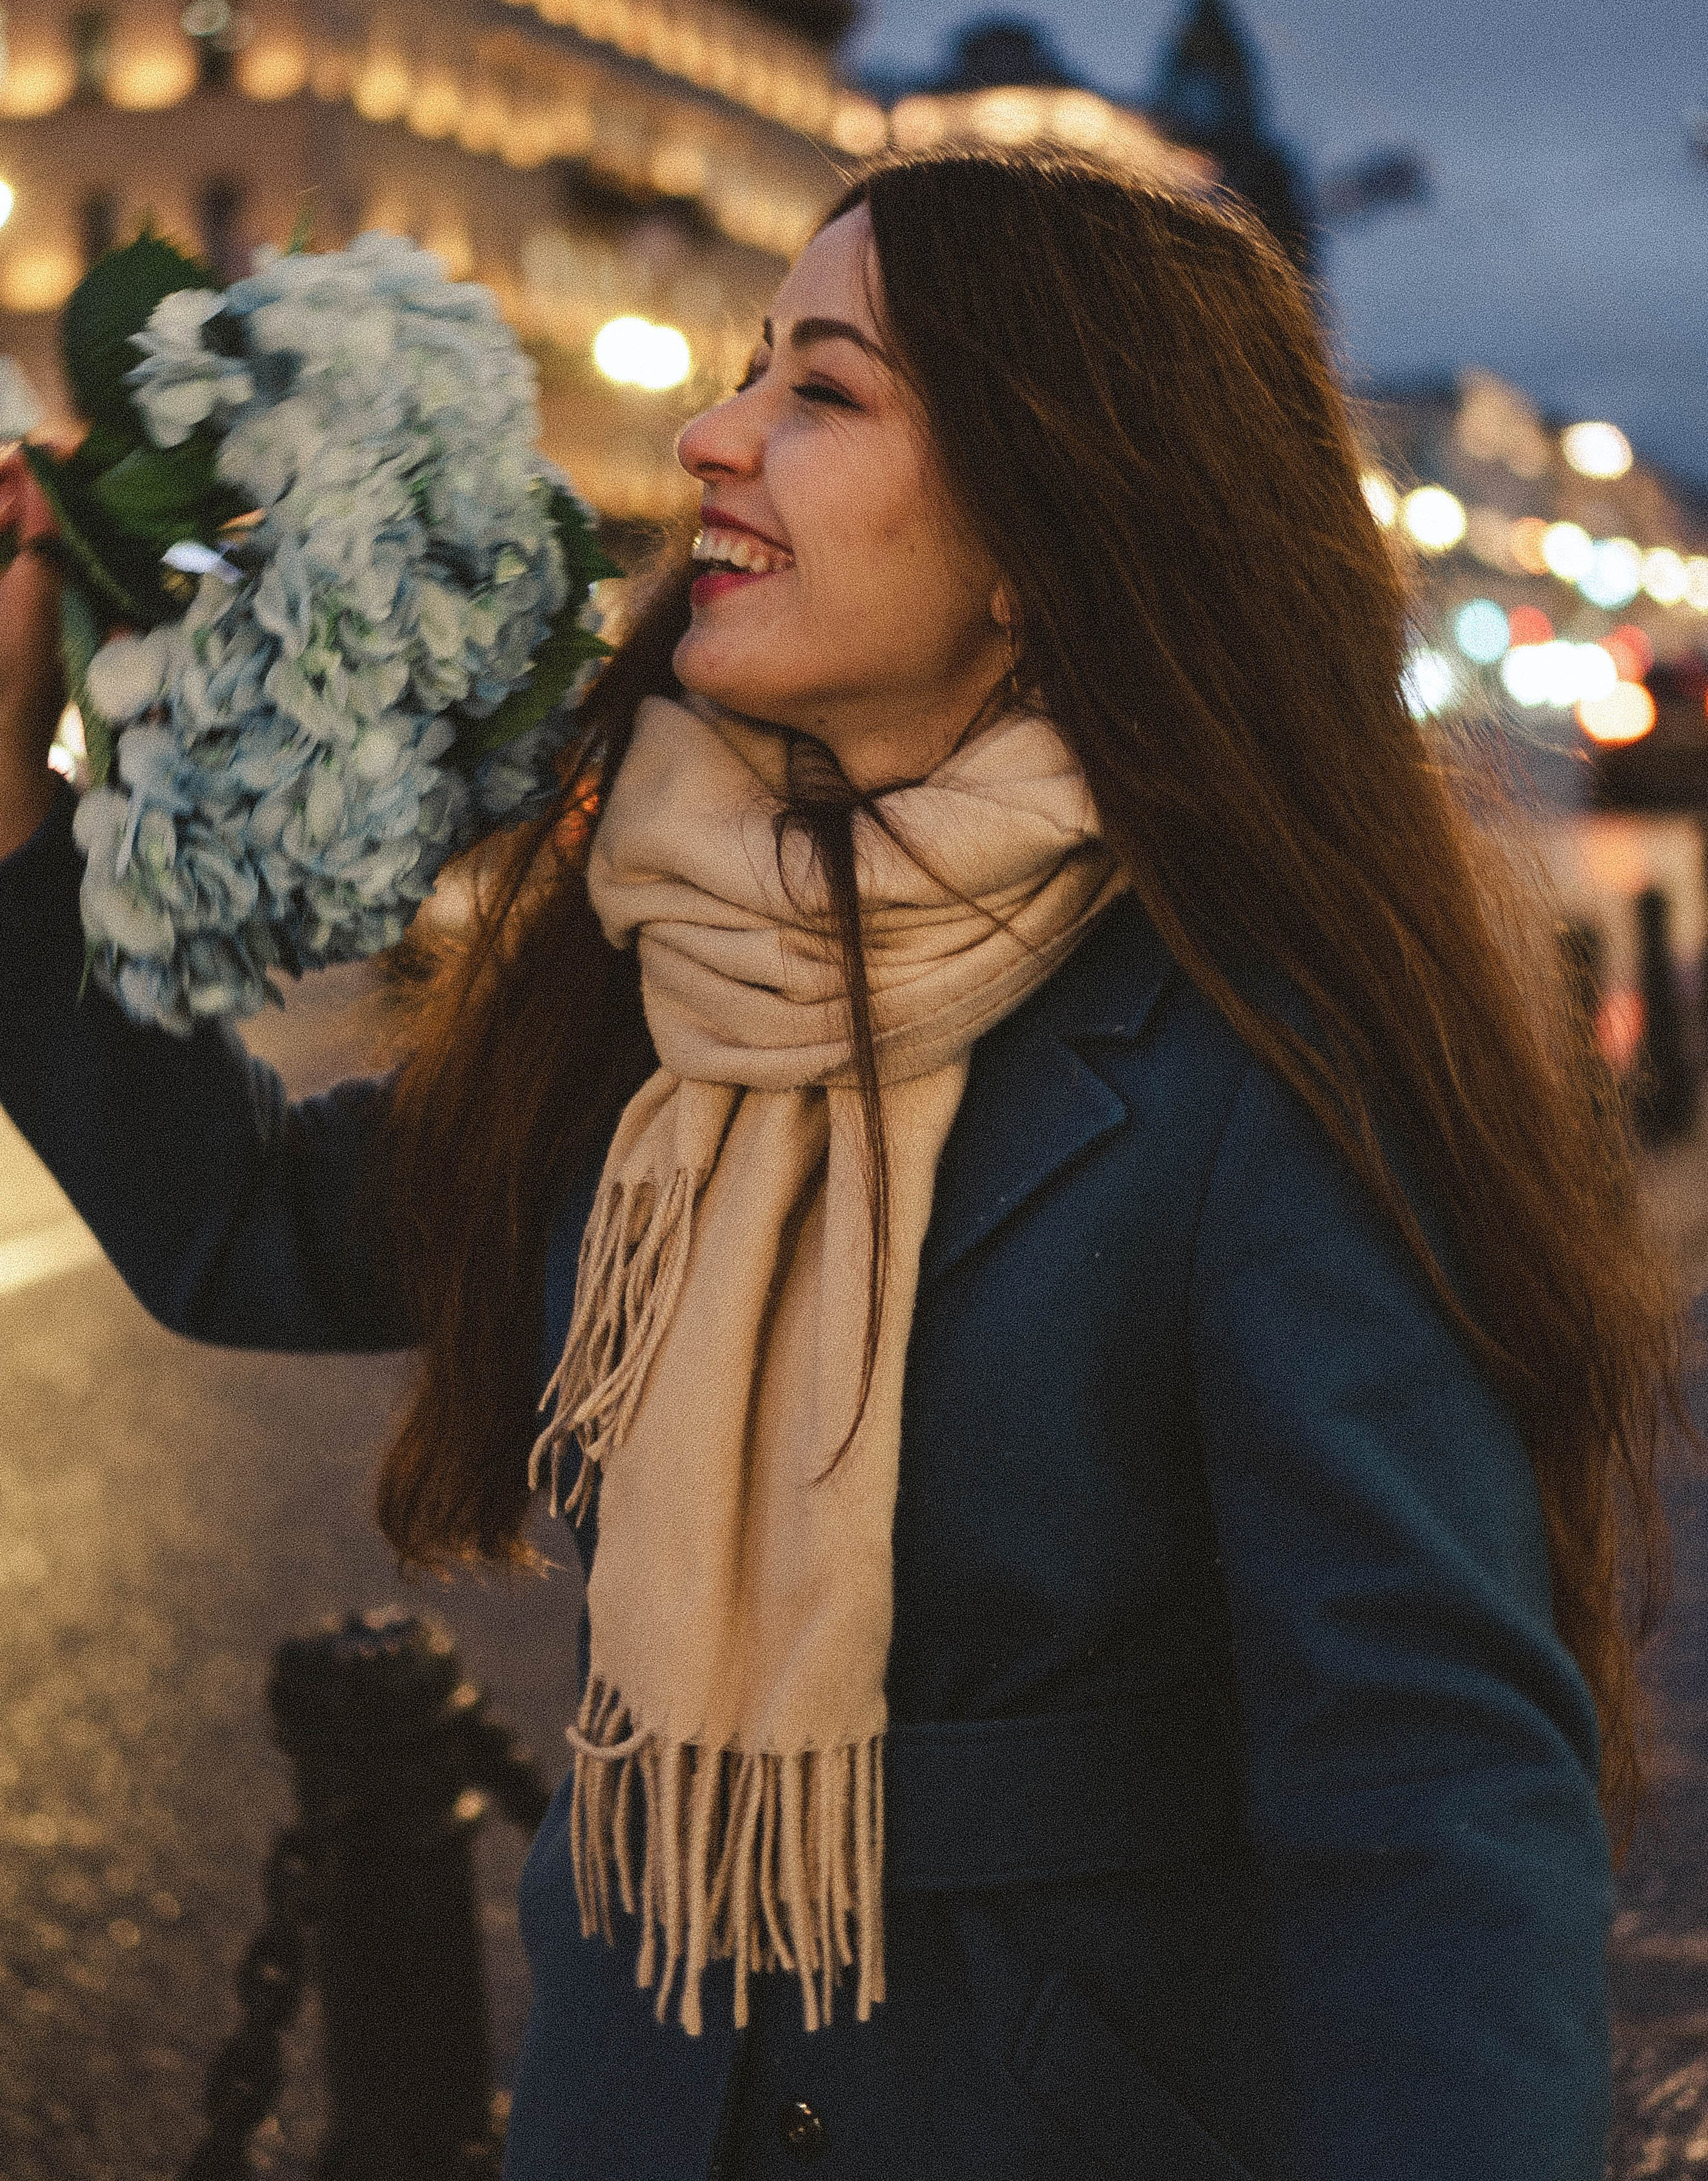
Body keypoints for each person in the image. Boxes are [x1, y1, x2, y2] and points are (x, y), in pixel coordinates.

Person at [0, 149, 1683, 2181]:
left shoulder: (1270, 1072)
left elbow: (1430, 1808)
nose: (714, 436)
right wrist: (16, 801)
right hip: (651, 2099)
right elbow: (245, 1226)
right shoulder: (674, 969)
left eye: (824, 390)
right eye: (745, 373)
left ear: (1042, 530)